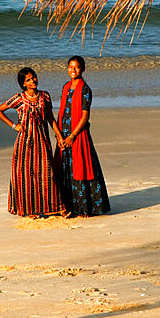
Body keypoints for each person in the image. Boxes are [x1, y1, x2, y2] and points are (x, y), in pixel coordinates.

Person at [0, 67, 66, 218]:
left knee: (48, 173)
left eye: (33, 77)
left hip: (42, 141)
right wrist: (14, 126)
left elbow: (51, 119)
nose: (33, 81)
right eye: (28, 80)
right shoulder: (19, 98)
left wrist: (59, 136)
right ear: (23, 84)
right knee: (26, 176)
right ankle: (29, 210)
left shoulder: (45, 96)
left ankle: (57, 208)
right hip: (25, 143)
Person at [55, 56, 111, 216]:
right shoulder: (66, 87)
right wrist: (59, 136)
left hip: (78, 134)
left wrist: (72, 136)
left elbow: (85, 117)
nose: (73, 70)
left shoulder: (85, 89)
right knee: (66, 170)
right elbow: (63, 111)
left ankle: (86, 208)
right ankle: (68, 206)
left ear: (83, 69)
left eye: (77, 67)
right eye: (70, 67)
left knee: (83, 169)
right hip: (63, 134)